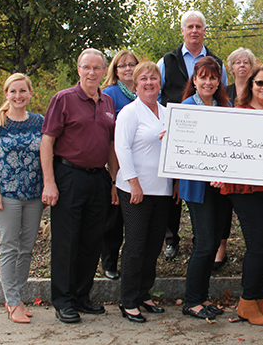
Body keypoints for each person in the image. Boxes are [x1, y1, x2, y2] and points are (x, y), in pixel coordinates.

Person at [41, 48, 118, 324]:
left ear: (103, 71)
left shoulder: (108, 102)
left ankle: (83, 296)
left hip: (98, 179)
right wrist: (49, 182)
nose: (92, 73)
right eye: (87, 67)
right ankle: (63, 300)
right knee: (67, 242)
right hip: (68, 176)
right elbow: (47, 141)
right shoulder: (63, 99)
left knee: (91, 240)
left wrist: (113, 180)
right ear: (78, 69)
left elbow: (110, 145)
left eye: (97, 68)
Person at [216, 64, 263, 326]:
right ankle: (247, 302)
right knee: (258, 246)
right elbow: (224, 146)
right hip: (247, 192)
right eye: (259, 83)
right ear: (250, 86)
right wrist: (219, 170)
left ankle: (259, 300)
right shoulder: (239, 113)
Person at [157, 10, 227, 259]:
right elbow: (157, 95)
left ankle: (208, 249)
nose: (194, 30)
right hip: (181, 144)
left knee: (209, 230)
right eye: (190, 26)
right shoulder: (167, 60)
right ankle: (171, 240)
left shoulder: (217, 62)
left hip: (215, 166)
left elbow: (223, 101)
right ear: (183, 30)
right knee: (174, 199)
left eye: (199, 26)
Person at [0, 73, 44, 324]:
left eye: (23, 91)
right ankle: (13, 302)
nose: (18, 96)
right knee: (9, 247)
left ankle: (17, 297)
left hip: (34, 194)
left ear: (30, 93)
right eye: (13, 91)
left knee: (26, 248)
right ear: (6, 94)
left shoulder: (39, 121)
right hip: (6, 195)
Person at [115, 62, 173, 323]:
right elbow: (122, 149)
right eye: (144, 79)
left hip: (162, 189)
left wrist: (176, 184)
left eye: (154, 78)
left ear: (160, 83)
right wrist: (134, 183)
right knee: (136, 245)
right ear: (136, 84)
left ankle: (144, 292)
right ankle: (127, 300)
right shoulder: (130, 113)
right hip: (135, 189)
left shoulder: (167, 112)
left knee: (153, 245)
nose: (149, 83)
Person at [179, 57, 233, 320]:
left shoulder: (226, 104)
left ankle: (202, 297)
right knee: (204, 243)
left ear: (219, 80)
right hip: (198, 186)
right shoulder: (186, 107)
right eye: (203, 77)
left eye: (213, 77)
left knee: (213, 244)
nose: (208, 82)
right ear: (194, 79)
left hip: (221, 186)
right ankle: (191, 301)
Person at [213, 47, 258, 270]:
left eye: (246, 62)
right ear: (230, 68)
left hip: (251, 159)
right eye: (237, 62)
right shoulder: (222, 92)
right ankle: (221, 249)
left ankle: (260, 252)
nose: (241, 65)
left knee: (252, 211)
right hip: (226, 158)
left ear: (252, 67)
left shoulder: (258, 90)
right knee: (222, 207)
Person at [100, 50, 140, 281]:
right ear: (115, 70)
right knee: (114, 218)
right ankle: (109, 262)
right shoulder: (109, 94)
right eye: (122, 65)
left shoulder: (144, 93)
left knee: (133, 219)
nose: (127, 69)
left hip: (141, 165)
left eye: (131, 64)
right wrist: (114, 174)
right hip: (115, 162)